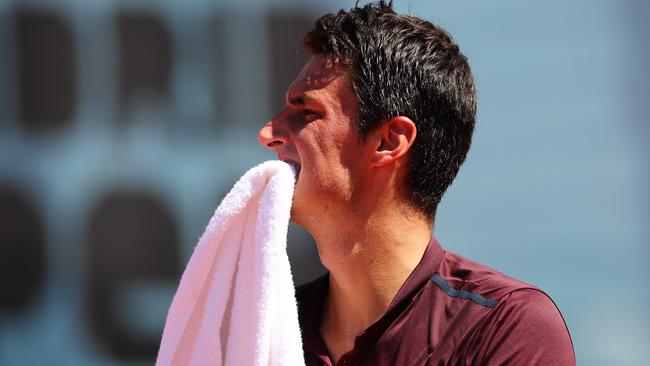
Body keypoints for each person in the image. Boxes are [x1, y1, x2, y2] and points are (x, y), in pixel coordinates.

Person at [257, 1, 575, 365]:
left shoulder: (504, 325)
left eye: (307, 112)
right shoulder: (261, 327)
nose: (268, 133)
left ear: (390, 141)